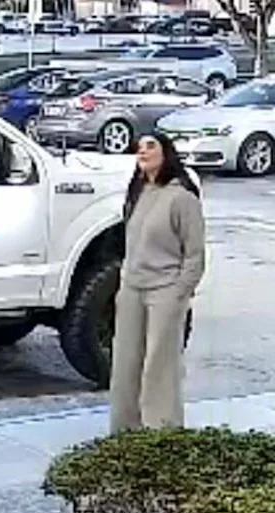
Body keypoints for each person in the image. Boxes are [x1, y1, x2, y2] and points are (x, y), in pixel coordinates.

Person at [109, 132, 206, 433]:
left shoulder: (181, 198)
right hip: (132, 288)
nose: (143, 151)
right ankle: (125, 431)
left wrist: (180, 292)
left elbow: (195, 254)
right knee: (126, 363)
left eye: (151, 145)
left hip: (165, 290)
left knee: (159, 366)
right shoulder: (138, 192)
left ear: (167, 153)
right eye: (139, 147)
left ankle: (162, 433)